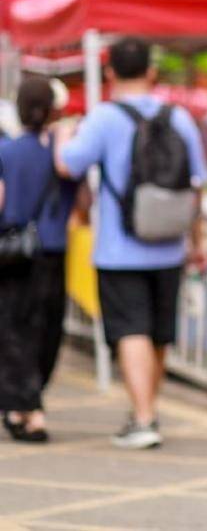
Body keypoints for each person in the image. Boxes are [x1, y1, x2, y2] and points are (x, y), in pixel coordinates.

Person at [54, 38, 207, 450]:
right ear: (152, 71)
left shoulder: (103, 118)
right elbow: (197, 187)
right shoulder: (179, 117)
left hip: (119, 249)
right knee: (158, 333)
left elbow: (68, 165)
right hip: (170, 244)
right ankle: (147, 409)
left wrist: (64, 134)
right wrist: (197, 241)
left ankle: (143, 418)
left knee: (130, 330)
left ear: (110, 73)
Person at [0, 78, 80, 442]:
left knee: (14, 330)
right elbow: (83, 202)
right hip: (54, 251)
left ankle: (24, 407)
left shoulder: (7, 151)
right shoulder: (63, 155)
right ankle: (29, 404)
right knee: (47, 329)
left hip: (13, 254)